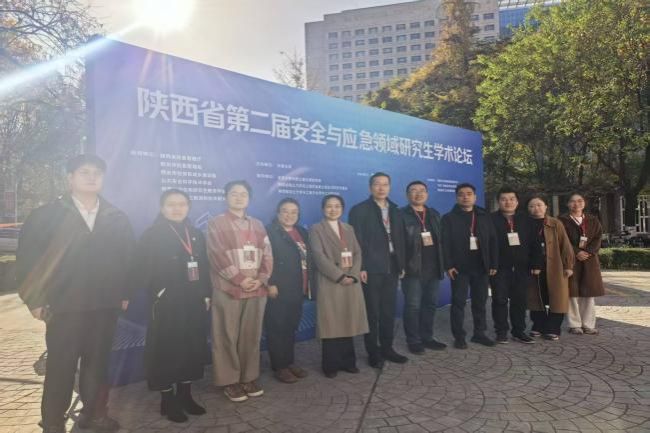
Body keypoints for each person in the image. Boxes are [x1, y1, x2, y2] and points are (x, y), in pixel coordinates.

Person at [16, 154, 135, 433]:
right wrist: (34, 300)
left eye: (97, 173)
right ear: (70, 177)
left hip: (104, 305)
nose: (91, 177)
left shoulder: (115, 216)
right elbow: (28, 261)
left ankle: (93, 416)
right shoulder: (46, 215)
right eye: (84, 172)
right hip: (63, 307)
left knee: (97, 365)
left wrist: (125, 293)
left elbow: (128, 259)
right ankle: (53, 422)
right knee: (61, 366)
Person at [132, 189, 210, 423]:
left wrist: (206, 294)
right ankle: (167, 398)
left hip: (193, 301)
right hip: (167, 302)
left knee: (191, 347)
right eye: (171, 204)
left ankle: (185, 395)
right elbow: (141, 269)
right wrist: (159, 291)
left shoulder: (195, 233)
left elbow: (204, 266)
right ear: (162, 208)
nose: (177, 208)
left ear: (188, 207)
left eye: (182, 204)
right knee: (166, 349)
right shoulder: (152, 235)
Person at [207, 180, 273, 402]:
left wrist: (261, 279)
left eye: (243, 193)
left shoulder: (258, 225)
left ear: (249, 198)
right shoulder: (216, 223)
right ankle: (229, 381)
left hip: (256, 289)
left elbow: (268, 254)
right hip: (228, 289)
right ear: (226, 197)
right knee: (226, 335)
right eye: (233, 193)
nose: (238, 197)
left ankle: (248, 377)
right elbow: (216, 255)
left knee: (251, 336)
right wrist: (240, 279)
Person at [349, 172, 408, 368]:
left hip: (392, 267)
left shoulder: (396, 210)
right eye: (377, 184)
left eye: (385, 184)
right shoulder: (359, 210)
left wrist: (401, 264)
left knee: (388, 311)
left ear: (389, 187)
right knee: (372, 312)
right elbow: (356, 241)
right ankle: (373, 352)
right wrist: (361, 267)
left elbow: (400, 239)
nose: (381, 188)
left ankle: (387, 348)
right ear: (370, 187)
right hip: (371, 269)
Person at [310, 195, 369, 378]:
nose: (333, 209)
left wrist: (352, 275)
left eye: (337, 206)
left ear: (342, 209)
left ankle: (348, 362)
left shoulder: (349, 228)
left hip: (351, 281)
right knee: (331, 324)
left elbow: (358, 253)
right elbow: (318, 256)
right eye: (329, 206)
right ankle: (331, 365)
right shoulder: (316, 229)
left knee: (348, 321)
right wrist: (339, 276)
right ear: (323, 209)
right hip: (331, 281)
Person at [441, 183, 498, 349]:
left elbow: (493, 240)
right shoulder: (449, 218)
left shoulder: (484, 216)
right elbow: (445, 243)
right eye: (461, 194)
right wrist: (448, 265)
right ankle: (459, 336)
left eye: (469, 193)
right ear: (456, 197)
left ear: (475, 197)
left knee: (480, 302)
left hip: (481, 267)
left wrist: (493, 263)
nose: (465, 197)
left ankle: (479, 333)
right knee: (458, 303)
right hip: (459, 269)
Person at [264, 198, 311, 383]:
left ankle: (289, 362)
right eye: (285, 211)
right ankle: (279, 366)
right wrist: (271, 282)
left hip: (298, 287)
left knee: (290, 327)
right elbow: (265, 259)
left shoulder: (302, 232)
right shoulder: (270, 232)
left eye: (294, 212)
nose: (289, 215)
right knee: (277, 327)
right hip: (279, 288)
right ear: (278, 213)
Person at [489, 187, 543, 344]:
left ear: (517, 202)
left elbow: (535, 244)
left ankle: (518, 331)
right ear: (498, 202)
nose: (508, 202)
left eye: (512, 199)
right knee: (499, 300)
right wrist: (490, 265)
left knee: (520, 301)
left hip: (522, 268)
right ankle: (501, 332)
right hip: (499, 268)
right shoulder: (490, 220)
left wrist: (536, 264)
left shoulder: (526, 220)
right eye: (504, 199)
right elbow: (487, 244)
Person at [401, 181, 446, 354]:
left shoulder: (434, 214)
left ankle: (427, 337)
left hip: (433, 268)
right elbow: (397, 243)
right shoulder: (401, 215)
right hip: (412, 269)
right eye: (413, 190)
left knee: (430, 304)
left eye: (422, 190)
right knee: (413, 306)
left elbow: (441, 241)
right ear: (407, 195)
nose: (418, 193)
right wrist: (401, 266)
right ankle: (413, 341)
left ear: (427, 194)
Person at [526, 195, 575, 340]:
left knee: (557, 297)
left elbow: (565, 244)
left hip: (555, 266)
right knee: (535, 297)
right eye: (532, 206)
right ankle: (538, 325)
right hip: (533, 266)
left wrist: (568, 265)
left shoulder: (555, 223)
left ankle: (553, 328)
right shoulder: (525, 224)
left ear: (546, 206)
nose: (536, 208)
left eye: (539, 205)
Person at [559, 193, 605, 335]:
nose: (576, 204)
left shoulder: (592, 220)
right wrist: (576, 251)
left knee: (588, 293)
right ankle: (574, 324)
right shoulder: (561, 220)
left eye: (579, 201)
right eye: (572, 201)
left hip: (589, 261)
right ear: (567, 204)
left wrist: (588, 252)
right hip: (570, 260)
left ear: (584, 203)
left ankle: (588, 324)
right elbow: (561, 240)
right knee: (572, 293)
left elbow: (598, 238)